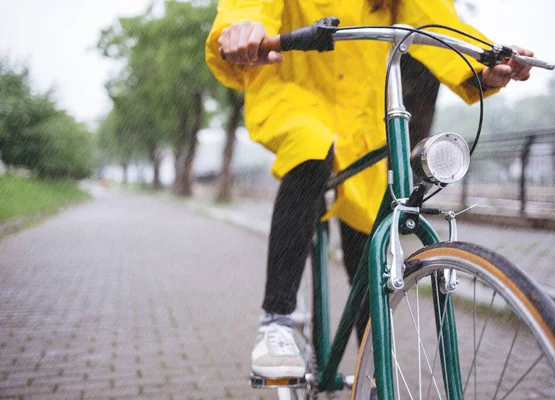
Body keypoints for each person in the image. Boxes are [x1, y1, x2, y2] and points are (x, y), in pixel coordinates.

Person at [205, 0, 533, 380]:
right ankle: (276, 322)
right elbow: (249, 8)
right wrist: (242, 31)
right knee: (310, 147)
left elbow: (436, 22)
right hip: (292, 96)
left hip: (361, 119)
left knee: (369, 241)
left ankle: (377, 373)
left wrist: (484, 65)